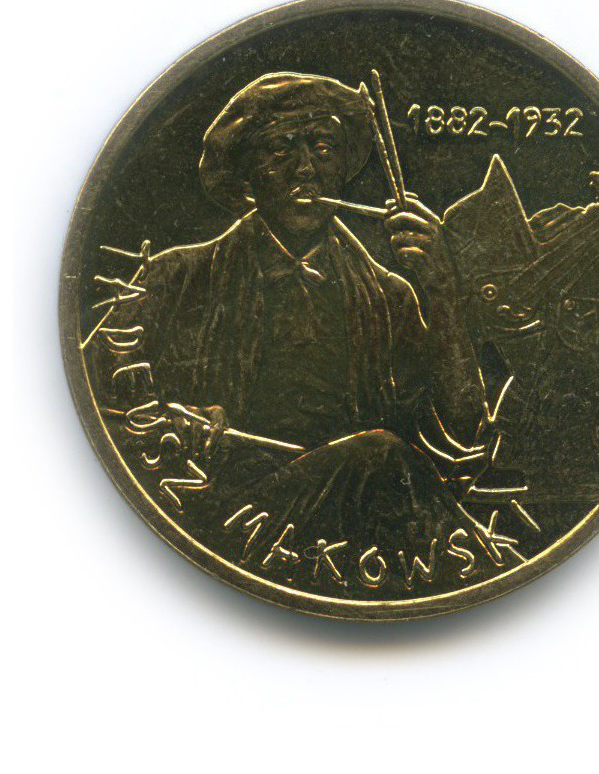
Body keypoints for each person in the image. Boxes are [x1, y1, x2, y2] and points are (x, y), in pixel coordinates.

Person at [91, 72, 503, 592]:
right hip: (218, 519)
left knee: (380, 458)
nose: (305, 168)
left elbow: (458, 435)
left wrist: (441, 292)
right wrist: (177, 421)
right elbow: (96, 411)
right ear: (245, 175)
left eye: (323, 148)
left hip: (359, 536)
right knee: (378, 455)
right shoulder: (175, 278)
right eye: (280, 149)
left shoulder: (389, 296)